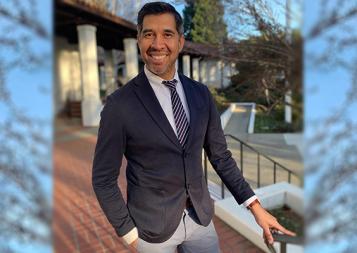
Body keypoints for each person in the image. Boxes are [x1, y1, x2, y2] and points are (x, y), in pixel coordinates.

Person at [92, 2, 295, 253]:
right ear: (138, 39)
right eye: (148, 34)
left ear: (180, 41)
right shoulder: (119, 105)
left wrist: (255, 207)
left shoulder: (201, 95)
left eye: (167, 34)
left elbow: (220, 157)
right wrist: (128, 233)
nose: (157, 44)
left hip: (200, 219)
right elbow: (103, 179)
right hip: (152, 231)